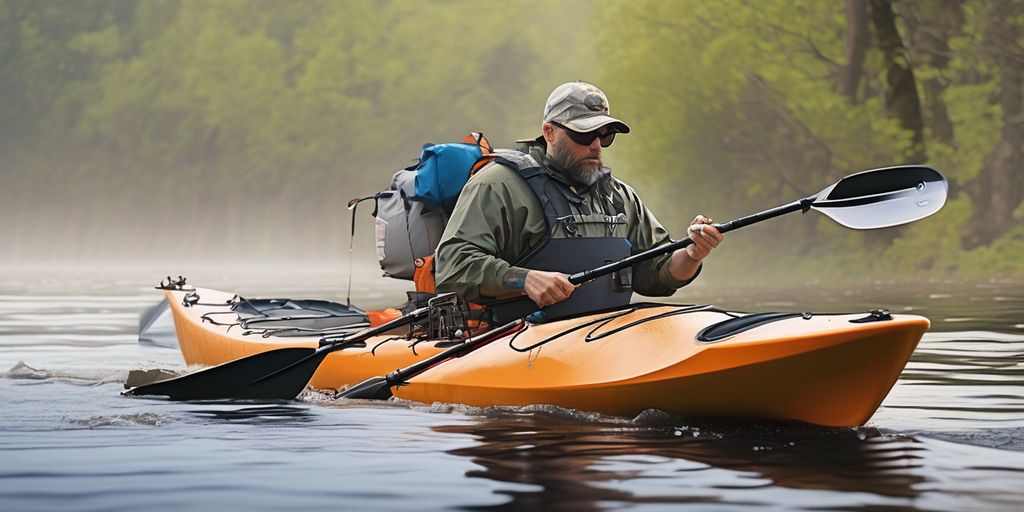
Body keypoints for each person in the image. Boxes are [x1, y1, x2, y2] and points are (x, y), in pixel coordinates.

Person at [434, 81, 724, 318]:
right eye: (583, 134)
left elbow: (654, 271)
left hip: (602, 339)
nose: (596, 145)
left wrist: (691, 254)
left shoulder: (619, 197)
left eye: (605, 135)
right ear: (549, 132)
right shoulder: (497, 186)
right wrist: (524, 279)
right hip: (515, 341)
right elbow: (452, 266)